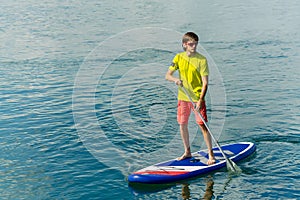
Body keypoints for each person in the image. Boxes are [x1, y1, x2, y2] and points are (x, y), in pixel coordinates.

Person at [165, 32, 216, 165]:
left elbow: (205, 83)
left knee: (202, 126)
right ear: (184, 45)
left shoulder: (201, 60)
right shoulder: (178, 58)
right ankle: (187, 151)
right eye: (191, 44)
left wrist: (200, 100)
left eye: (196, 43)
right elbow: (168, 75)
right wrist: (175, 79)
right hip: (183, 98)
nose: (194, 46)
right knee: (182, 124)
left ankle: (211, 155)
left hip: (197, 98)